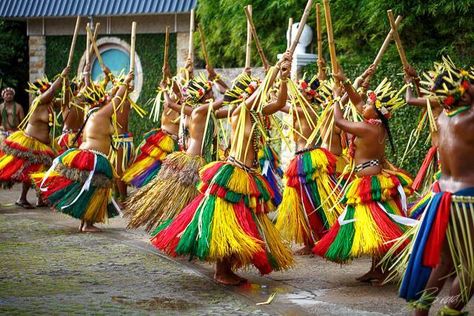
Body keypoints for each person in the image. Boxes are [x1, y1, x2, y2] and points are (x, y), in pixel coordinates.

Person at [151, 52, 294, 285]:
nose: (263, 95)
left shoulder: (256, 113)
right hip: (234, 173)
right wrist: (275, 69)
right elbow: (255, 97)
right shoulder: (240, 112)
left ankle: (226, 269)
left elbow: (278, 103)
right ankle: (222, 271)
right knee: (229, 221)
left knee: (238, 222)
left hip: (248, 174)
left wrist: (285, 79)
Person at [313, 66, 416, 285]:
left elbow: (339, 122)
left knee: (378, 227)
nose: (364, 105)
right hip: (370, 179)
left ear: (377, 111)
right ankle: (376, 268)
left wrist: (335, 98)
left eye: (369, 104)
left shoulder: (367, 128)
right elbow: (358, 104)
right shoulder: (375, 125)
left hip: (368, 183)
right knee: (374, 226)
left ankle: (381, 269)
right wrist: (346, 82)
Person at [399, 59, 474, 316]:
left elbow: (412, 99)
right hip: (466, 200)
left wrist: (412, 82)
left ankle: (421, 311)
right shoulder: (469, 118)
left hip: (443, 198)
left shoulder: (442, 116)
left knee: (444, 263)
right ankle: (450, 312)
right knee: (471, 268)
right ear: (463, 92)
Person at [125, 67, 230, 232]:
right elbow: (226, 99)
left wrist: (165, 88)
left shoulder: (192, 111)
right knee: (191, 203)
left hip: (193, 159)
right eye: (209, 93)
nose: (212, 96)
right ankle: (182, 231)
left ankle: (183, 230)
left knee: (190, 203)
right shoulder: (200, 111)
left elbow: (170, 103)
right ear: (202, 96)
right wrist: (216, 79)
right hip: (196, 162)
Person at [31, 71, 134, 232]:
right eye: (105, 97)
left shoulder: (93, 114)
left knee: (89, 188)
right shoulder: (100, 114)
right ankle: (87, 224)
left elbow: (113, 98)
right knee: (92, 188)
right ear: (101, 101)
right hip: (93, 157)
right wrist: (125, 83)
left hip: (87, 154)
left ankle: (85, 223)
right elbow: (116, 100)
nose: (107, 98)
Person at [275, 75, 343, 255]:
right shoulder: (300, 109)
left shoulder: (307, 111)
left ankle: (322, 239)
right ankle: (311, 240)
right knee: (302, 203)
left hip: (308, 160)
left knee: (312, 202)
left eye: (300, 93)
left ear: (310, 96)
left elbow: (279, 104)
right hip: (299, 159)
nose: (296, 95)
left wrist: (279, 80)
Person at [0, 67, 70, 207]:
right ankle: (22, 198)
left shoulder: (50, 104)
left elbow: (65, 102)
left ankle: (39, 198)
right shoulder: (38, 102)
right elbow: (51, 91)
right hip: (29, 142)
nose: (51, 94)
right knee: (20, 171)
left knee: (41, 171)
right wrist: (61, 76)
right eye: (48, 92)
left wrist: (66, 85)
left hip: (44, 145)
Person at [403, 65, 442, 194]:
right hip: (439, 150)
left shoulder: (438, 100)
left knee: (441, 187)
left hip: (442, 151)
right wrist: (416, 78)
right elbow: (423, 96)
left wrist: (408, 84)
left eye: (432, 81)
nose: (429, 85)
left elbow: (410, 100)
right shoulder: (439, 100)